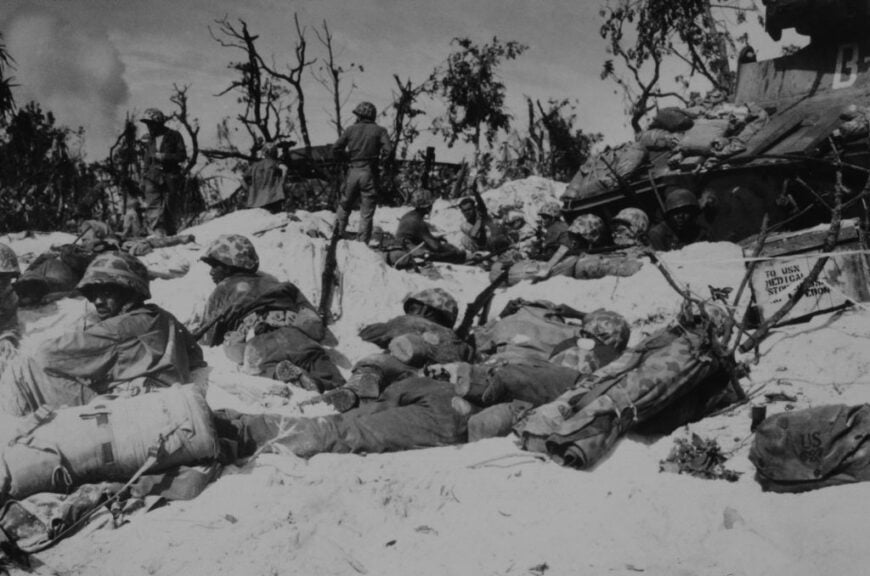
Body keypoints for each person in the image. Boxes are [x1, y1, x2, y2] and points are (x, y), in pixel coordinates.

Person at [0, 252, 204, 416]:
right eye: (93, 294)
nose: (98, 301)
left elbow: (47, 355)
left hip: (124, 417)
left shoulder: (115, 329)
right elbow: (195, 356)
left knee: (22, 368)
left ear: (130, 290)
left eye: (107, 293)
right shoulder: (164, 317)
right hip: (166, 408)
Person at [196, 234, 342, 391]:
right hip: (296, 336)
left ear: (231, 265)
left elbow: (207, 339)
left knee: (265, 368)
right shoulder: (281, 285)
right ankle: (334, 386)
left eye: (215, 266)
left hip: (258, 343)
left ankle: (283, 374)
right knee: (318, 362)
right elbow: (315, 324)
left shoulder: (222, 290)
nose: (211, 272)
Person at [333, 101, 392, 245]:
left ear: (359, 115)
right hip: (369, 173)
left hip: (353, 171)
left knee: (344, 205)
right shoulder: (380, 130)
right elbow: (388, 151)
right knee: (366, 212)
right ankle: (362, 243)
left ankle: (337, 235)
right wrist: (381, 164)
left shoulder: (350, 130)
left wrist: (347, 159)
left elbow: (336, 149)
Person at [387, 189, 465, 267]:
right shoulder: (418, 221)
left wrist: (434, 238)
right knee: (453, 254)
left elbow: (419, 236)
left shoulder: (408, 215)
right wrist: (452, 250)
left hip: (400, 249)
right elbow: (436, 246)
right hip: (407, 253)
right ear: (427, 207)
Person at [140, 108, 187, 237]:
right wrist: (143, 178)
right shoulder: (149, 139)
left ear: (159, 123)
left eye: (151, 124)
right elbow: (146, 160)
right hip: (152, 176)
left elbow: (182, 155)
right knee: (152, 204)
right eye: (147, 124)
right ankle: (157, 233)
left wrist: (165, 156)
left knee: (170, 205)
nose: (149, 127)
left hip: (170, 176)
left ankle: (171, 233)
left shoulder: (174, 135)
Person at [534, 213, 606, 282]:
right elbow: (562, 250)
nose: (573, 241)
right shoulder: (571, 253)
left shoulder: (592, 260)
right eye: (572, 236)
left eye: (577, 237)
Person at [243, 142, 287, 212]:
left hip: (255, 201)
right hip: (273, 198)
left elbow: (242, 178)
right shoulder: (274, 162)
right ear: (274, 152)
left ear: (264, 153)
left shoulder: (254, 165)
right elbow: (284, 168)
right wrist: (282, 182)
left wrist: (249, 190)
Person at [0, 243, 21, 374]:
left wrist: (6, 338)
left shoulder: (8, 296)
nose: (1, 284)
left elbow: (9, 323)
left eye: (6, 278)